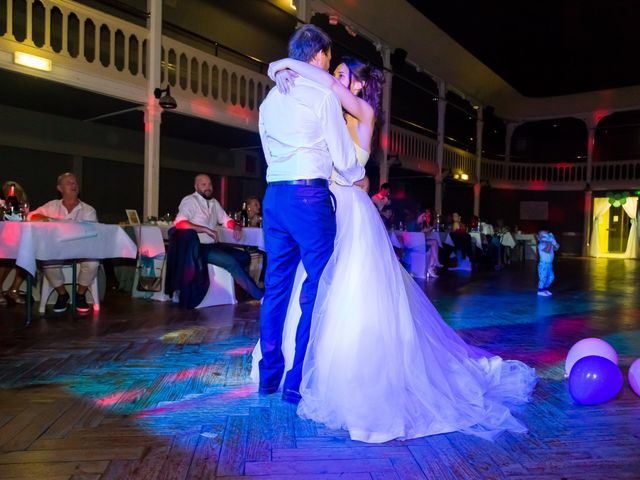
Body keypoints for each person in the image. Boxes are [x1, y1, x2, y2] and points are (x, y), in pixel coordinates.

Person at [252, 51, 536, 443]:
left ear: (358, 84)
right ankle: (299, 369)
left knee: (350, 292)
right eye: (333, 73)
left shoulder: (361, 111)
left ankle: (346, 377)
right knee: (314, 290)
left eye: (341, 75)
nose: (333, 80)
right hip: (320, 209)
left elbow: (348, 163)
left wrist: (282, 65)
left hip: (348, 210)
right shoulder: (324, 109)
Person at [257, 25, 365, 403]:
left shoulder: (268, 102)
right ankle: (296, 381)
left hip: (275, 196)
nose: (329, 65)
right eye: (329, 58)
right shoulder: (320, 95)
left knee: (276, 289)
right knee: (316, 289)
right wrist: (357, 175)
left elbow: (269, 154)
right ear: (318, 56)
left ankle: (268, 377)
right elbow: (343, 157)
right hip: (309, 198)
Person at [174, 174, 264, 301]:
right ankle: (260, 297)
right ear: (196, 187)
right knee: (231, 262)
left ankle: (239, 290)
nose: (208, 187)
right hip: (198, 247)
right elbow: (179, 223)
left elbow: (226, 220)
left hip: (213, 245)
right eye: (203, 185)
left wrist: (236, 227)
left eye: (209, 184)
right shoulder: (190, 201)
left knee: (245, 257)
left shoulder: (214, 203)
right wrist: (205, 229)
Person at [28, 173, 98, 313]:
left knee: (93, 263)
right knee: (46, 259)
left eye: (75, 182)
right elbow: (30, 216)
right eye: (69, 182)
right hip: (57, 248)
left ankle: (80, 294)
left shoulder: (88, 210)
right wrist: (47, 219)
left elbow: (92, 233)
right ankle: (62, 294)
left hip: (81, 249)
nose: (73, 185)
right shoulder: (51, 205)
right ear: (59, 188)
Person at [0, 181, 28, 305]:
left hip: (17, 241)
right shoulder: (3, 206)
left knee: (26, 259)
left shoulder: (23, 207)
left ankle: (14, 289)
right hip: (3, 242)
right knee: (5, 258)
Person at [417, 208, 441, 278]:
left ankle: (431, 267)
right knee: (434, 243)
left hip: (423, 240)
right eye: (425, 213)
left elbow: (426, 234)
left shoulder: (426, 222)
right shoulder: (419, 222)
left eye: (428, 213)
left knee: (434, 244)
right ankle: (436, 263)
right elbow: (419, 233)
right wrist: (426, 229)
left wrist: (428, 229)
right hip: (418, 242)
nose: (427, 215)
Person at [537, 230, 559, 297]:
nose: (545, 237)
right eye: (543, 236)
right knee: (543, 278)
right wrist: (550, 241)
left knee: (551, 277)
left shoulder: (550, 243)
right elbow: (547, 250)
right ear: (539, 238)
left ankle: (545, 289)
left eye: (546, 235)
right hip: (543, 265)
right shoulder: (541, 244)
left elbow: (557, 247)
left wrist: (553, 241)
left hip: (549, 265)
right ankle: (540, 290)